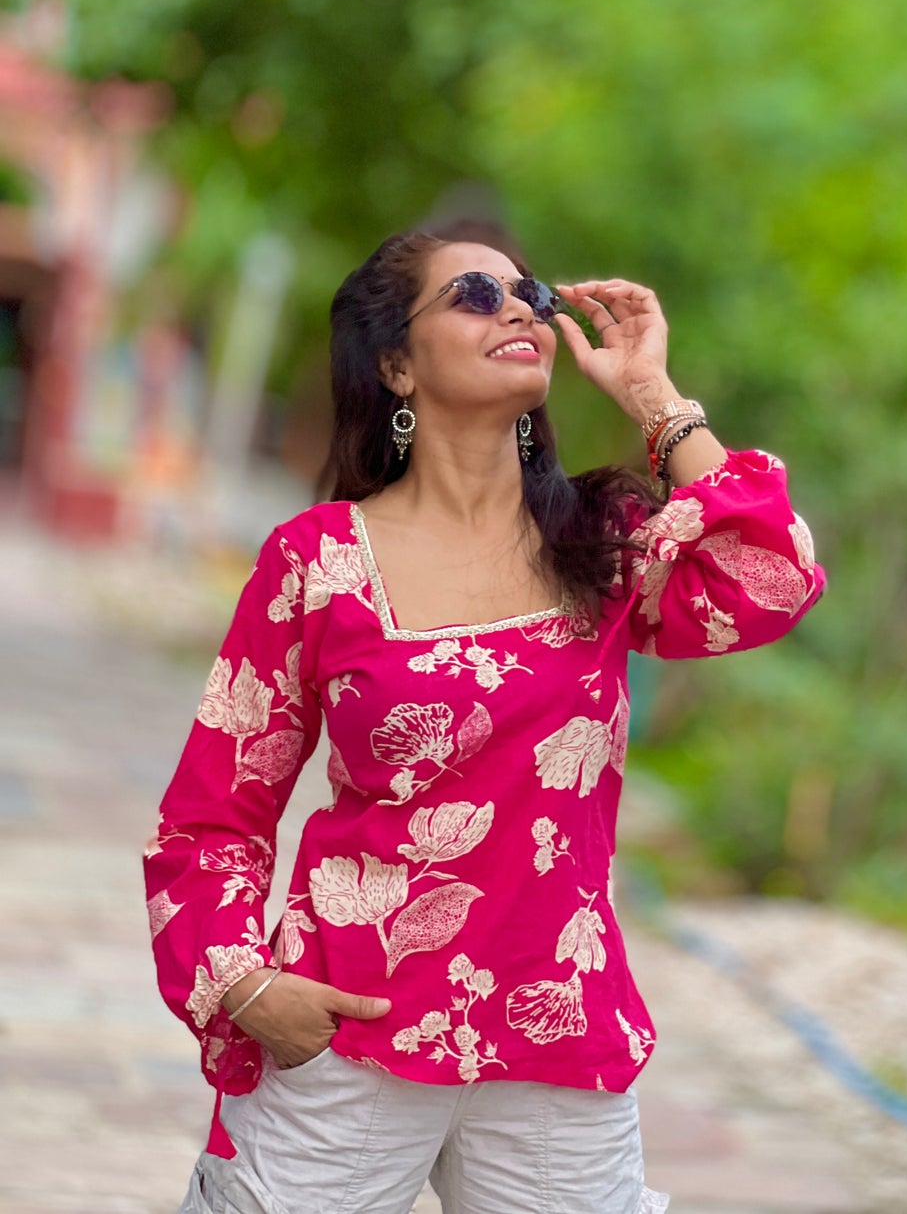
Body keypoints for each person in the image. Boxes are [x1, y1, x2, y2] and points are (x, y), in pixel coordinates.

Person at [145, 230, 827, 1214]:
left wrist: (652, 394)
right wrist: (247, 987)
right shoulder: (317, 562)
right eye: (473, 292)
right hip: (349, 1033)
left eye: (530, 294)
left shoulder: (600, 547)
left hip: (558, 1038)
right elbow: (211, 817)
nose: (517, 309)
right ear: (396, 364)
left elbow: (773, 579)